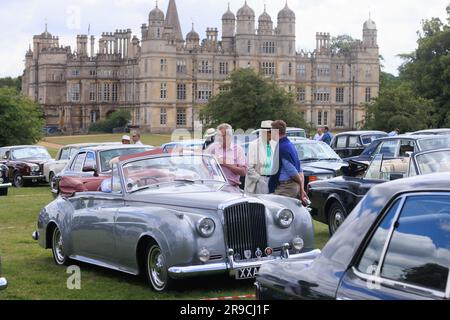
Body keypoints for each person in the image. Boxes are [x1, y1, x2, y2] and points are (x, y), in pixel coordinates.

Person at [269, 120, 308, 203]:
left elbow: (292, 171)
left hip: (286, 188)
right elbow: (300, 169)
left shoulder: (282, 147)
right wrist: (301, 188)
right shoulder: (289, 145)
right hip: (291, 187)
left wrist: (301, 188)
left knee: (275, 212)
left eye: (271, 131)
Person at [206, 123, 247, 188]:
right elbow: (202, 159)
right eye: (218, 135)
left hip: (232, 187)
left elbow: (243, 172)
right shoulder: (213, 147)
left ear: (229, 136)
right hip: (214, 187)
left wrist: (226, 164)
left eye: (222, 135)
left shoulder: (238, 149)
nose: (220, 138)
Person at [245, 121, 277, 194]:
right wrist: (259, 179)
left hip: (272, 179)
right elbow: (249, 167)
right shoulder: (254, 145)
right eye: (272, 133)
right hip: (259, 180)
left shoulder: (274, 144)